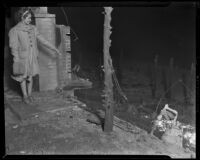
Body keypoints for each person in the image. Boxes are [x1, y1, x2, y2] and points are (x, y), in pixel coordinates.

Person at [8, 7, 61, 104]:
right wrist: (16, 60)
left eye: (30, 18)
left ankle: (30, 94)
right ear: (22, 18)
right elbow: (13, 47)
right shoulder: (14, 30)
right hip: (22, 58)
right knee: (22, 78)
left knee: (30, 77)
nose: (30, 20)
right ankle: (25, 96)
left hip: (32, 57)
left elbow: (43, 40)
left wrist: (54, 48)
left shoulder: (33, 28)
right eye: (28, 18)